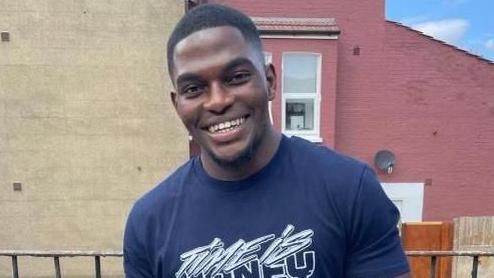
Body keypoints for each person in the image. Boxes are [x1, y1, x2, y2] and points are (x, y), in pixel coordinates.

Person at [124, 4, 410, 278]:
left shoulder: (349, 189)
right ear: (178, 105)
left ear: (270, 81)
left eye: (236, 77)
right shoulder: (149, 222)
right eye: (194, 88)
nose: (218, 101)